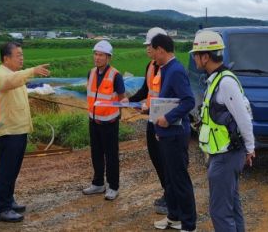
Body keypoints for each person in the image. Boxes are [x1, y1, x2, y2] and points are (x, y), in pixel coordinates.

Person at [191, 30, 255, 231]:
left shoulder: (225, 82)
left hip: (226, 155)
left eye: (196, 54)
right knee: (232, 206)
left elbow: (244, 118)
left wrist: (250, 148)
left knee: (220, 211)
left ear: (206, 57)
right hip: (224, 153)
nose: (194, 58)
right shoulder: (216, 79)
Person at [0, 42, 50, 222]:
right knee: (6, 171)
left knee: (13, 170)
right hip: (8, 131)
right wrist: (32, 71)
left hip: (18, 130)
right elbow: (11, 81)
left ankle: (8, 201)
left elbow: (17, 80)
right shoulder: (0, 75)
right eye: (18, 55)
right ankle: (1, 209)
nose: (21, 58)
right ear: (6, 58)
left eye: (22, 55)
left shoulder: (15, 75)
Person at [149, 34, 197, 232]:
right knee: (169, 178)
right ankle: (174, 217)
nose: (151, 54)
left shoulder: (175, 70)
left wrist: (167, 119)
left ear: (161, 49)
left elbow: (188, 101)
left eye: (152, 50)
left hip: (176, 134)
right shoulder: (166, 69)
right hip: (167, 134)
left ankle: (189, 224)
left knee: (179, 179)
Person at [129, 27, 168, 215]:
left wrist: (148, 108)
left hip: (165, 123)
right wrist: (127, 101)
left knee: (166, 159)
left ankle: (171, 196)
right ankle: (167, 191)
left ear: (159, 47)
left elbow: (171, 100)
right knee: (156, 158)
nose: (147, 49)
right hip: (152, 120)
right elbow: (145, 91)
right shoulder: (150, 66)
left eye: (150, 46)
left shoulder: (169, 68)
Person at [82, 40, 127, 201]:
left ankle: (113, 187)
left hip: (110, 122)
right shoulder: (91, 73)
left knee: (111, 155)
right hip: (94, 121)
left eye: (101, 55)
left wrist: (119, 113)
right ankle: (98, 183)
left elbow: (121, 98)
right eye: (95, 54)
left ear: (108, 57)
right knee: (96, 153)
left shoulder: (116, 76)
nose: (97, 58)